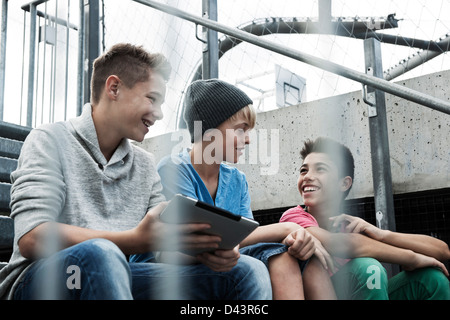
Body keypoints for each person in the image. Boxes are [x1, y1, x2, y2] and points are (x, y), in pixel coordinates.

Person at [0, 43, 272, 300]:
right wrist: (132, 240)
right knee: (102, 255)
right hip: (44, 280)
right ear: (114, 88)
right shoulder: (50, 139)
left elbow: (165, 245)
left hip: (117, 274)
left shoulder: (144, 164)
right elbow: (32, 237)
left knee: (246, 271)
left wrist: (205, 252)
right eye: (152, 99)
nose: (160, 113)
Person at [132, 79, 336, 300]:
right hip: (170, 265)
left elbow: (245, 237)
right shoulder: (173, 169)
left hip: (216, 259)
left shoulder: (237, 180)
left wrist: (290, 236)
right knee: (260, 261)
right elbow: (195, 241)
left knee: (289, 255)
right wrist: (286, 228)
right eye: (241, 130)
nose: (248, 140)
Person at [280, 136, 450, 300]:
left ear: (344, 183)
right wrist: (412, 258)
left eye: (321, 169)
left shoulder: (351, 224)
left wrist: (381, 234)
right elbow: (343, 243)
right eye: (304, 170)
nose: (307, 176)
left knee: (432, 280)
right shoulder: (293, 217)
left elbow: (442, 251)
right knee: (369, 269)